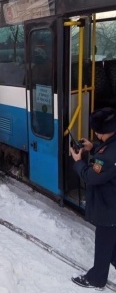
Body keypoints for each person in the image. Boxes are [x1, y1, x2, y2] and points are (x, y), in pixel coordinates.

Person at [70, 107, 116, 290]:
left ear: (102, 131)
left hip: (109, 207)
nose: (95, 134)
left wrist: (78, 161)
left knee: (104, 244)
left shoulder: (108, 157)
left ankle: (96, 279)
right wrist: (93, 147)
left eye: (97, 132)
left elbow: (91, 176)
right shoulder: (111, 145)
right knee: (113, 244)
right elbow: (107, 151)